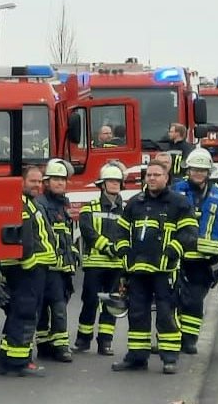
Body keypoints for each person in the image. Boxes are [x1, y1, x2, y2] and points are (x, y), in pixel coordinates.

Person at [113, 160, 195, 374]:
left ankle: (169, 358)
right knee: (137, 313)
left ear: (166, 177)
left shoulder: (179, 203)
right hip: (137, 270)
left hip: (164, 271)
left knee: (166, 314)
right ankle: (137, 357)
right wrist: (124, 252)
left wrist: (171, 252)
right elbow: (121, 232)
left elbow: (189, 234)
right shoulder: (134, 203)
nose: (151, 178)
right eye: (148, 175)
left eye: (156, 175)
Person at [0, 165, 54, 377]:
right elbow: (25, 239)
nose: (38, 185)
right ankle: (19, 362)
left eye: (40, 182)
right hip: (27, 270)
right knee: (25, 314)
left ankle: (10, 359)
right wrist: (29, 264)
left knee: (19, 314)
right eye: (33, 181)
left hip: (32, 269)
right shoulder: (20, 204)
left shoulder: (30, 203)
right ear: (21, 182)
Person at [169, 148, 218, 355]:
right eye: (195, 169)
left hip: (205, 260)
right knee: (173, 299)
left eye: (202, 170)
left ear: (208, 172)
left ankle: (189, 340)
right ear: (188, 169)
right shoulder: (175, 191)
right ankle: (172, 337)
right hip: (177, 255)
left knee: (194, 300)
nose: (198, 173)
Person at [74, 161, 129, 356]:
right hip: (95, 265)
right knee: (89, 301)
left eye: (117, 181)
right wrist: (108, 246)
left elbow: (128, 233)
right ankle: (83, 340)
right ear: (102, 184)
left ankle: (105, 342)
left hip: (117, 266)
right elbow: (88, 232)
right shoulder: (89, 208)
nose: (114, 184)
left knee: (112, 304)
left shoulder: (127, 210)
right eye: (110, 181)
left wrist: (119, 250)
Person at [34, 159, 78, 363]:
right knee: (55, 307)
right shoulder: (41, 204)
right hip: (50, 266)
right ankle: (59, 346)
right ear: (46, 182)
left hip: (62, 267)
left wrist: (74, 255)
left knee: (54, 305)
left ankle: (46, 345)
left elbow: (67, 235)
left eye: (63, 179)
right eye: (56, 179)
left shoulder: (64, 204)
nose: (60, 183)